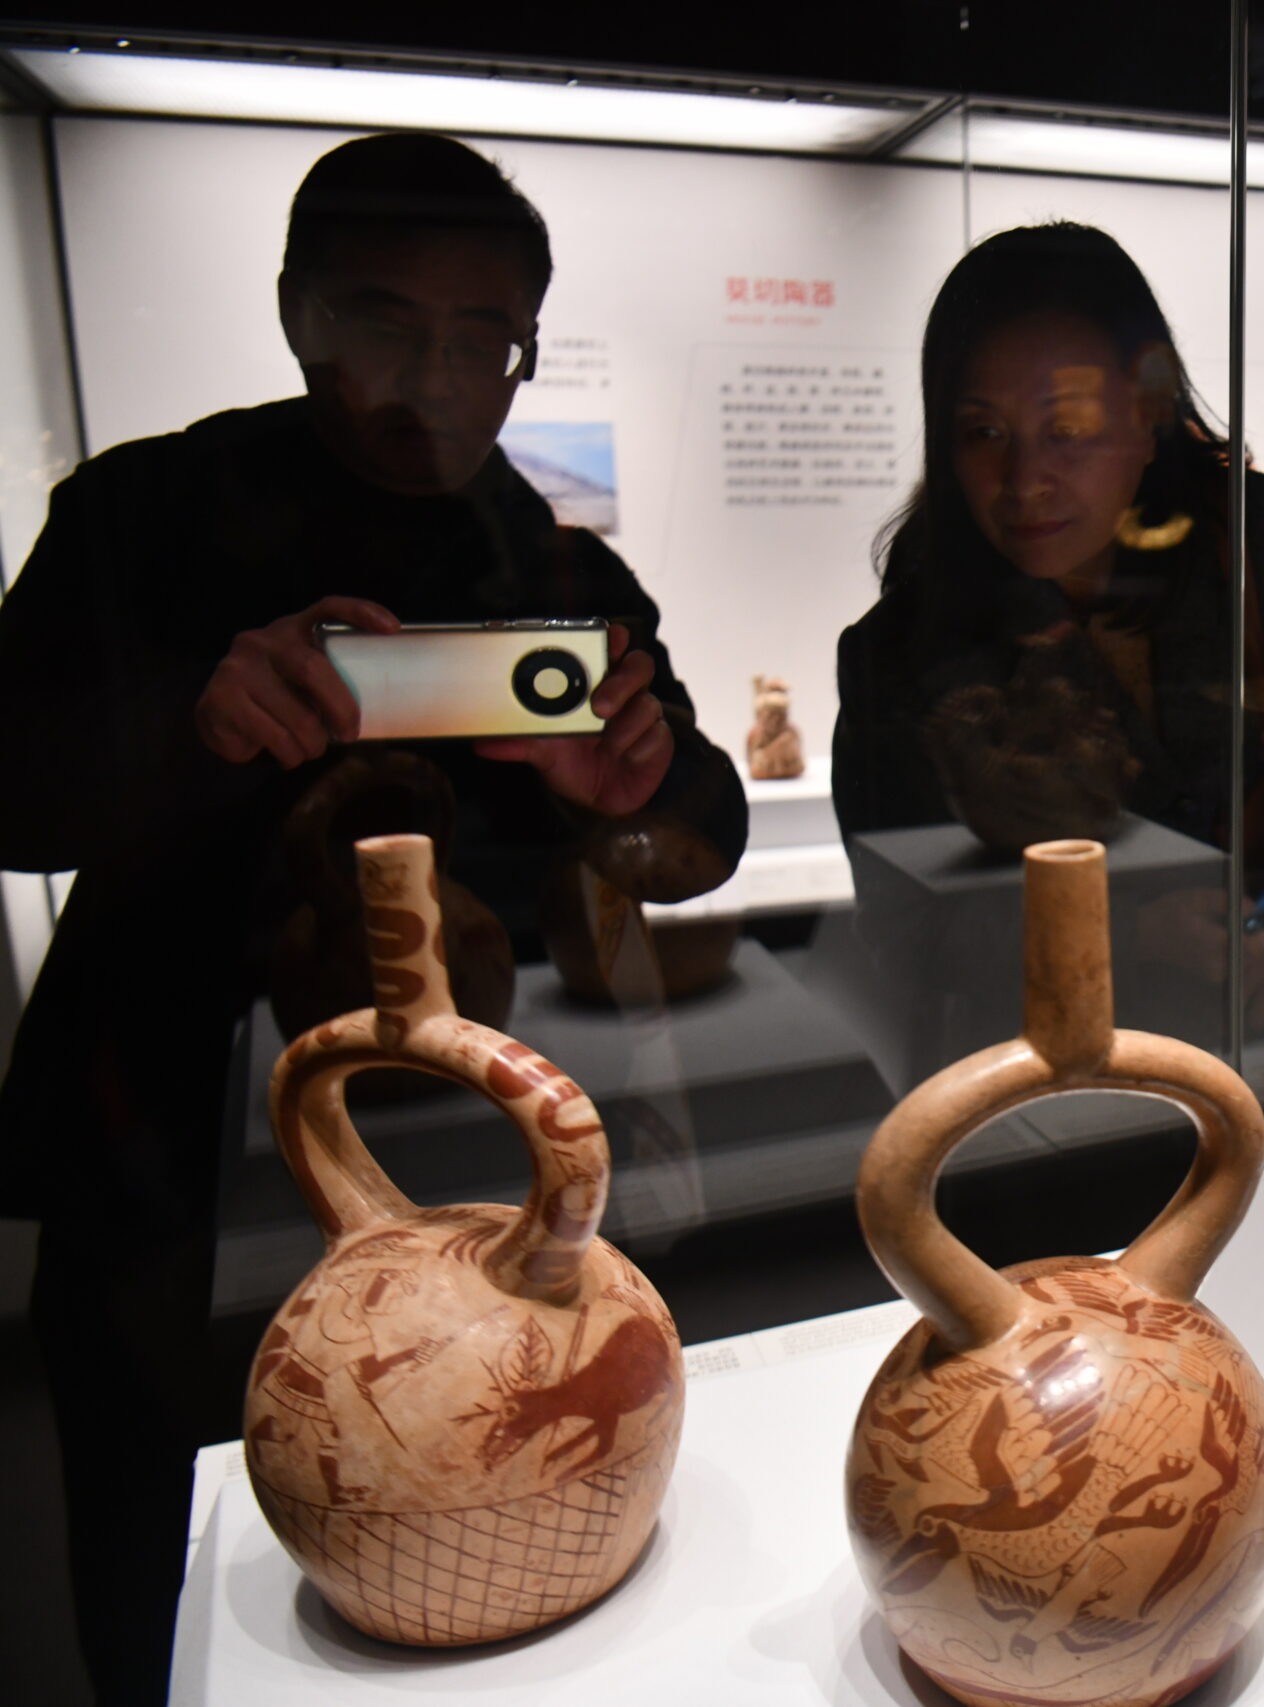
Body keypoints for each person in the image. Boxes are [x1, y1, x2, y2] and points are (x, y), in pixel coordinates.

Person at [0, 133, 744, 1703]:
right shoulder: (144, 514)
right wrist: (195, 724)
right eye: (386, 323)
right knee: (161, 1548)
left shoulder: (549, 558)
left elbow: (701, 827)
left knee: (514, 1485)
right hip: (183, 1139)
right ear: (299, 312)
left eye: (485, 339)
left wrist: (626, 786)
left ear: (527, 347)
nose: (438, 380)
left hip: (486, 1136)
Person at [833, 223, 1264, 940]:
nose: (1025, 481)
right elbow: (908, 919)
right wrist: (1130, 937)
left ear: (1149, 414)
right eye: (985, 432)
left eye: (1067, 428)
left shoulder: (1252, 532)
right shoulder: (898, 650)